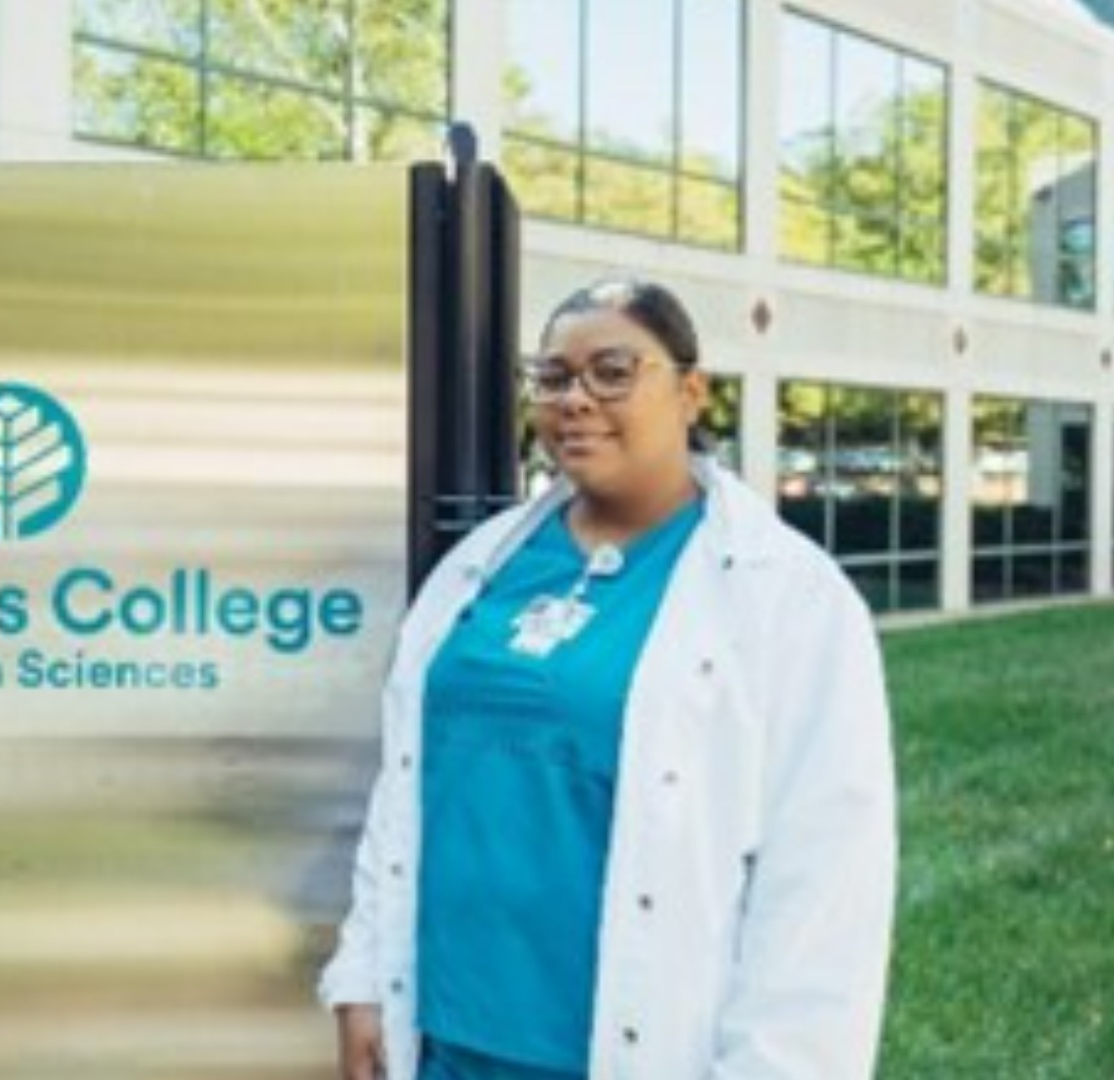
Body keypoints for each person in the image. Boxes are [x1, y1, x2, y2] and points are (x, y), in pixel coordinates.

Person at [317, 279, 896, 1080]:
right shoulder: (480, 566)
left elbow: (826, 881)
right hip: (444, 1040)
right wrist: (363, 974)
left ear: (692, 391)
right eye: (553, 378)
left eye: (613, 371)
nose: (576, 399)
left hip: (626, 1049)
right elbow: (407, 788)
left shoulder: (788, 595)